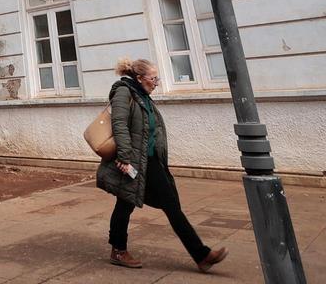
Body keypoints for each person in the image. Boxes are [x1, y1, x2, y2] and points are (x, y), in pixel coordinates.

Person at [96, 57, 228, 272]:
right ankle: (119, 251)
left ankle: (201, 255)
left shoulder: (142, 95)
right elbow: (119, 123)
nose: (156, 82)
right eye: (153, 78)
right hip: (132, 161)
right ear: (139, 78)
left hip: (150, 161)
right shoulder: (124, 92)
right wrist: (125, 157)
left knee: (165, 205)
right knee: (126, 203)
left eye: (157, 78)